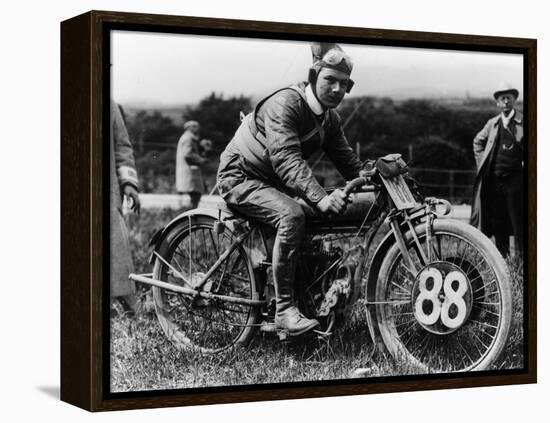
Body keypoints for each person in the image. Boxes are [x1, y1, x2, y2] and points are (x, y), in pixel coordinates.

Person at [217, 43, 374, 337]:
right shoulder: (286, 104)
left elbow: (348, 162)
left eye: (345, 84)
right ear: (313, 76)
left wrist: (376, 176)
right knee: (292, 215)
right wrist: (321, 198)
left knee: (308, 220)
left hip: (271, 182)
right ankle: (284, 312)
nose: (338, 89)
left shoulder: (329, 118)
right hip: (239, 177)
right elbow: (286, 160)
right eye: (331, 80)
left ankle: (308, 301)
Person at [470, 85, 524, 257]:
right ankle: (504, 260)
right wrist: (483, 165)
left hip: (517, 181)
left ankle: (522, 261)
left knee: (518, 222)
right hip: (496, 181)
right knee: (499, 221)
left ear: (515, 99)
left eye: (509, 97)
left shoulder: (524, 122)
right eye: (502, 98)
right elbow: (477, 142)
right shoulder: (492, 123)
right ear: (498, 102)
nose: (506, 101)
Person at [110, 100, 141, 315]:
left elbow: (122, 146)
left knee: (115, 242)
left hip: (104, 188)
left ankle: (128, 302)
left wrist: (129, 183)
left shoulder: (108, 104)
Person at [176, 120, 212, 209]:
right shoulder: (188, 138)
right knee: (195, 195)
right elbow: (188, 154)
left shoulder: (190, 138)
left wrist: (202, 148)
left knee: (195, 195)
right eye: (195, 126)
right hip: (190, 172)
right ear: (188, 128)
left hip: (191, 172)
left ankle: (191, 212)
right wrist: (201, 160)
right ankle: (191, 213)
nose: (197, 128)